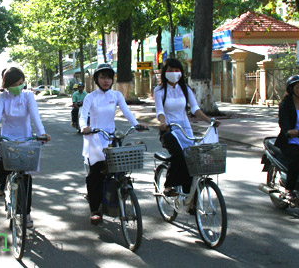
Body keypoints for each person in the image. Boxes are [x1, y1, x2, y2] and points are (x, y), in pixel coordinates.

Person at [80, 63, 147, 224]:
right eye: (103, 77)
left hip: (111, 138)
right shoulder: (90, 97)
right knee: (95, 174)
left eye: (109, 77)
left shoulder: (116, 96)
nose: (106, 81)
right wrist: (84, 127)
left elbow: (127, 111)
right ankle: (95, 209)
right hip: (95, 138)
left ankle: (118, 197)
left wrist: (136, 125)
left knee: (120, 169)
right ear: (97, 79)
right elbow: (83, 116)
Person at [0, 67, 51, 228]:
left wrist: (42, 133)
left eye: (21, 83)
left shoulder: (28, 96)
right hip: (7, 138)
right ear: (7, 85)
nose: (19, 86)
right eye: (15, 84)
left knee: (26, 179)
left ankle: (26, 214)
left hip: (25, 139)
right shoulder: (2, 97)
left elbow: (35, 116)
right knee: (3, 163)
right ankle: (0, 185)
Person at [154, 58, 218, 196]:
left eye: (176, 70)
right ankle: (169, 185)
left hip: (185, 129)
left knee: (192, 159)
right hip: (169, 130)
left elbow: (195, 109)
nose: (173, 73)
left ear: (181, 73)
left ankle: (191, 199)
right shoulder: (159, 90)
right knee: (179, 156)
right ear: (165, 72)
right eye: (170, 70)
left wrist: (209, 120)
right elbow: (160, 111)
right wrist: (163, 123)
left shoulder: (185, 88)